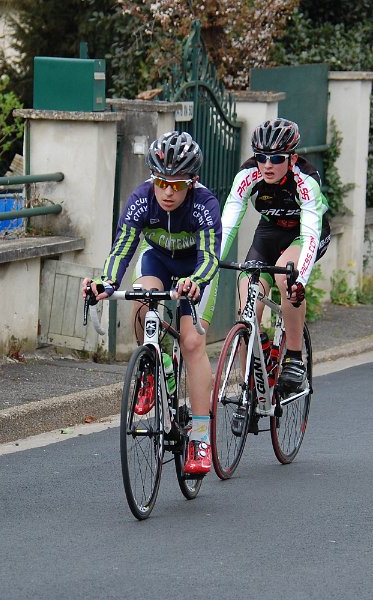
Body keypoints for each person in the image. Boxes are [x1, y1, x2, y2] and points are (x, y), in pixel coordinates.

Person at [81, 131, 221, 474]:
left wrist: (196, 282)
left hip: (194, 271)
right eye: (161, 182)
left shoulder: (204, 204)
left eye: (177, 185)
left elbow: (210, 257)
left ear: (192, 182)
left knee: (191, 343)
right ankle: (153, 368)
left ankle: (200, 438)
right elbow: (122, 248)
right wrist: (105, 283)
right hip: (157, 260)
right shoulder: (141, 199)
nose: (167, 192)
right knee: (142, 298)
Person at [218, 118, 331, 393]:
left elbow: (311, 233)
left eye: (277, 158)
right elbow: (228, 224)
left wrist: (300, 281)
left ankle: (294, 358)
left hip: (304, 233)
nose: (267, 165)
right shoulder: (248, 175)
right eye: (261, 157)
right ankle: (249, 383)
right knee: (247, 300)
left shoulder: (306, 179)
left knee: (286, 276)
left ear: (292, 158)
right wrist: (209, 262)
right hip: (269, 231)